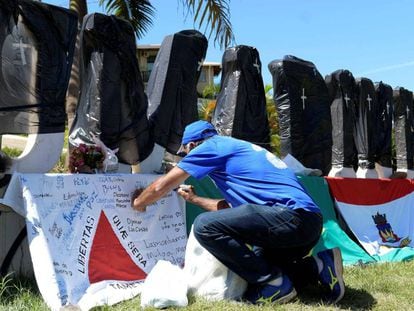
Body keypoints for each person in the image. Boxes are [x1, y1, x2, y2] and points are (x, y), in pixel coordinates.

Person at [131, 120, 345, 304]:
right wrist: (194, 199)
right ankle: (318, 265)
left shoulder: (211, 147)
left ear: (193, 145)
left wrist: (140, 202)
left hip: (290, 218)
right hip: (306, 223)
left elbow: (163, 186)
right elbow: (235, 212)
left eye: (185, 153)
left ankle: (273, 283)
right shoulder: (236, 149)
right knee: (254, 272)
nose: (186, 158)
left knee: (204, 226)